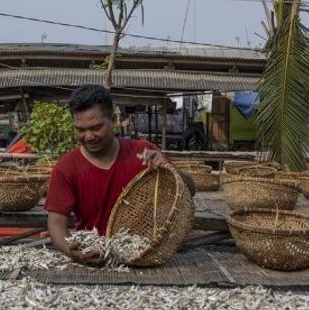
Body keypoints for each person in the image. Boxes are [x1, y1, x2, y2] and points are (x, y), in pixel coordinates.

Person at [44, 85, 196, 264]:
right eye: (80, 130)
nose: (89, 136)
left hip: (144, 253)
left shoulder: (143, 153)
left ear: (114, 120)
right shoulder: (66, 167)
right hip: (95, 255)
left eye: (96, 127)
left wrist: (169, 169)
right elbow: (56, 222)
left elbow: (189, 189)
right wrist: (72, 251)